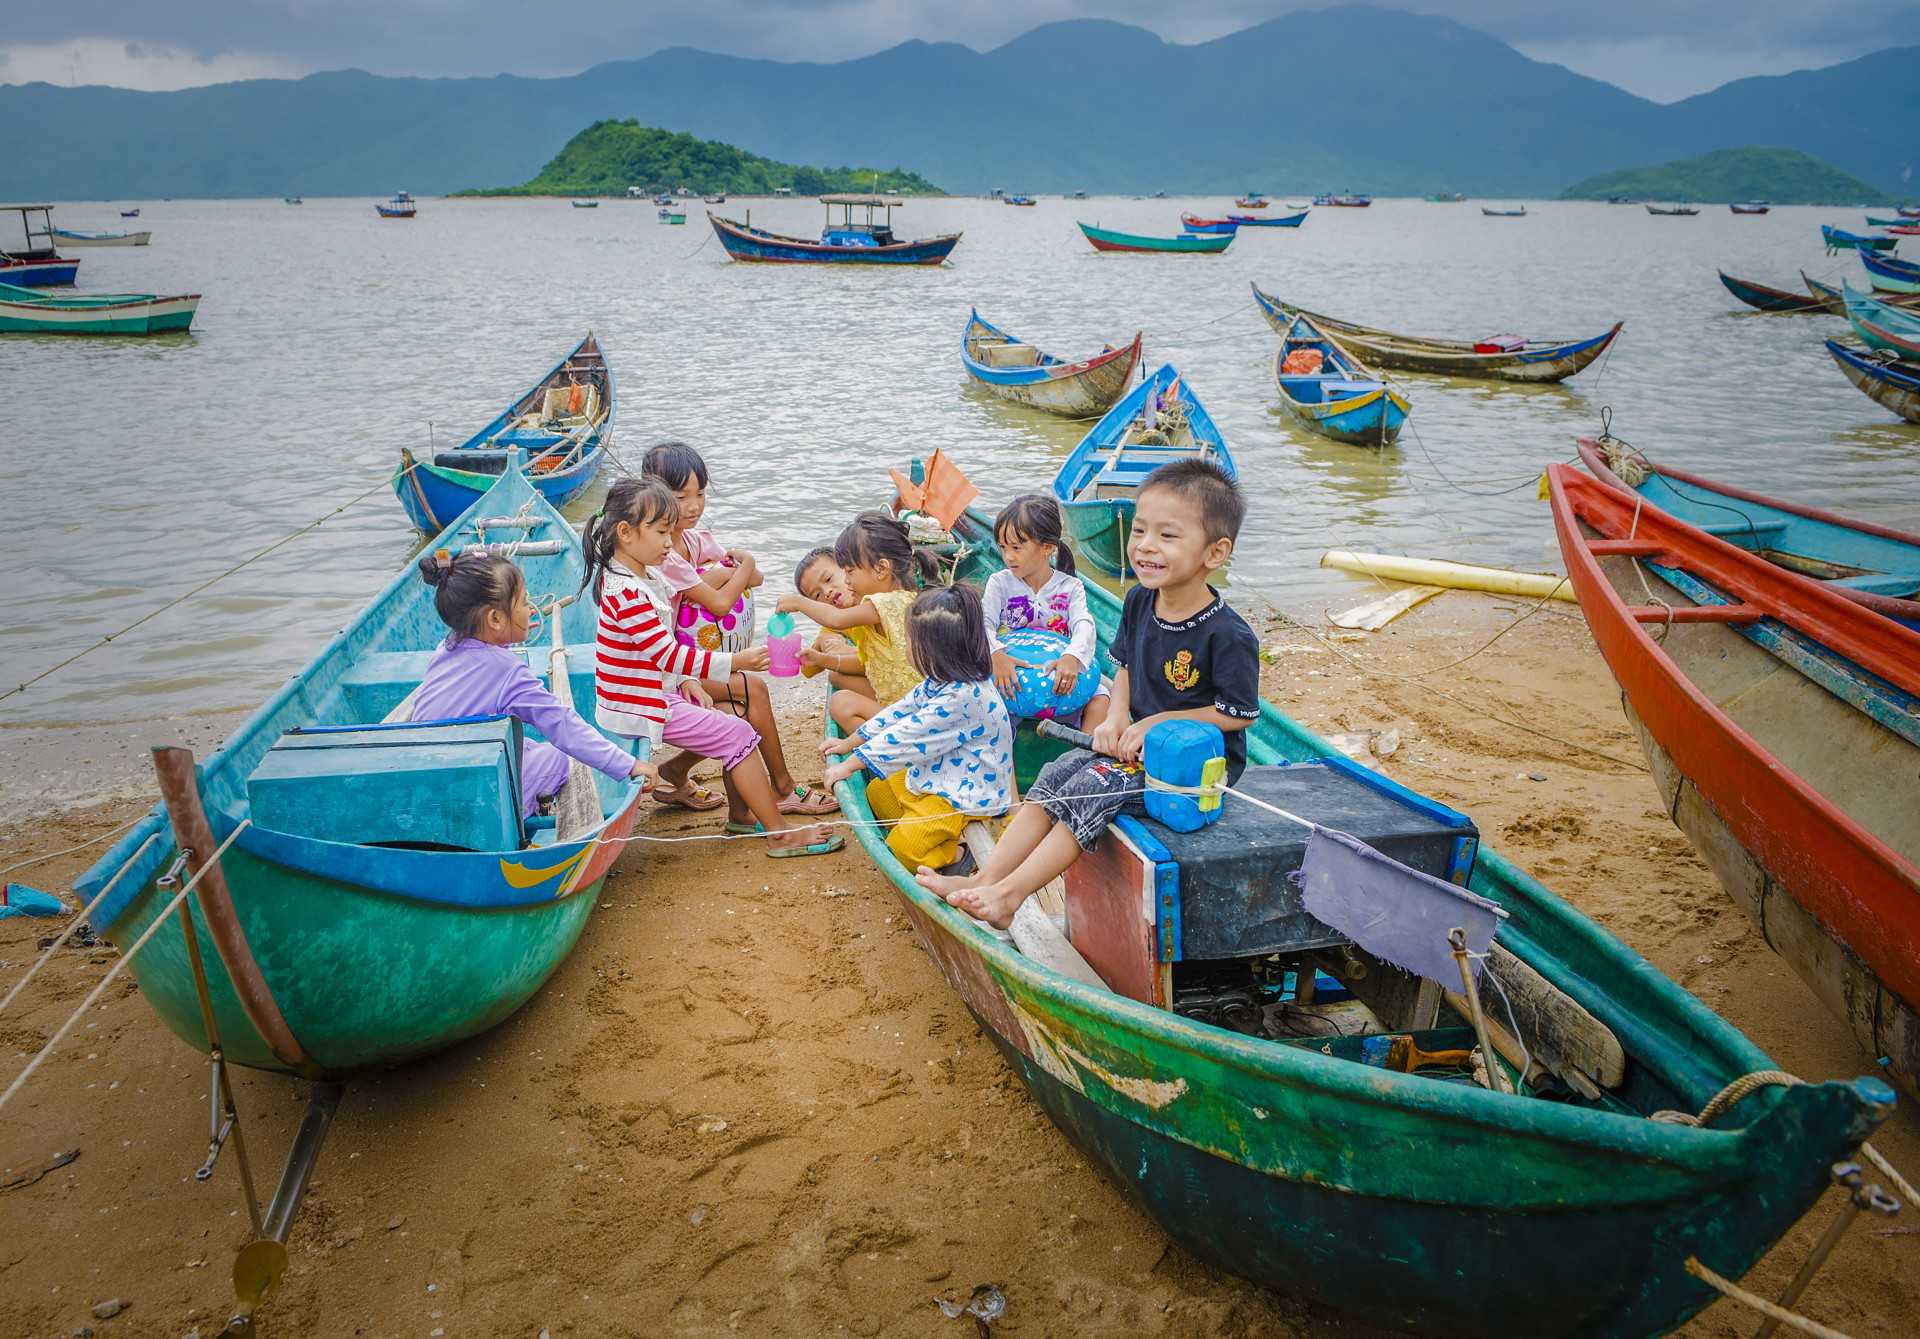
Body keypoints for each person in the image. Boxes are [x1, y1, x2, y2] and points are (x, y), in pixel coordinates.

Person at [917, 459, 1259, 928]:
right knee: (1058, 772)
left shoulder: (1229, 634)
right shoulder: (1141, 599)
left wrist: (1151, 725)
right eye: (1139, 531)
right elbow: (1122, 669)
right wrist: (1118, 716)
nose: (1145, 546)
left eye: (1168, 535)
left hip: (1191, 768)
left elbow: (1237, 715)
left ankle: (1009, 896)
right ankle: (984, 878)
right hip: (1132, 748)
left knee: (1089, 787)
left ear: (1215, 553)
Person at [583, 477, 842, 858]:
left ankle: (740, 815)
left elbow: (660, 652)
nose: (670, 543)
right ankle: (780, 833)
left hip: (656, 690)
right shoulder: (626, 592)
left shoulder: (642, 575)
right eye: (661, 532)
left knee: (735, 708)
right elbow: (668, 654)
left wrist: (688, 680)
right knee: (738, 734)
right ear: (625, 532)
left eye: (671, 532)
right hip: (639, 704)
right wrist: (736, 661)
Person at [643, 441, 837, 819]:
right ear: (656, 497)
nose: (694, 506)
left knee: (737, 707)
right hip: (672, 665)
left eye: (700, 494)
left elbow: (756, 578)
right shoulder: (665, 552)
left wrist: (730, 571)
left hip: (685, 659)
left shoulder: (695, 540)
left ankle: (680, 771)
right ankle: (782, 788)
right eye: (682, 497)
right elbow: (719, 603)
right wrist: (734, 568)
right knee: (756, 689)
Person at [412, 547, 658, 818]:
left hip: (424, 773)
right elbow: (562, 725)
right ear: (495, 619)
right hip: (467, 791)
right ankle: (516, 813)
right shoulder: (507, 671)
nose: (530, 611)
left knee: (526, 745)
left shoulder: (444, 648)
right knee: (556, 759)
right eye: (523, 602)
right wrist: (627, 765)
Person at [819, 584, 1012, 875]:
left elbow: (905, 736)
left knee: (903, 851)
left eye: (909, 641)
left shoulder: (964, 697)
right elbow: (898, 713)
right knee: (879, 792)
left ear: (934, 650)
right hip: (945, 773)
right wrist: (850, 744)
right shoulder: (941, 680)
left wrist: (848, 766)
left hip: (966, 792)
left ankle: (955, 853)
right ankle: (931, 835)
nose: (905, 648)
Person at [776, 511, 940, 735]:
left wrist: (797, 603)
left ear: (882, 568)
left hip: (918, 710)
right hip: (907, 701)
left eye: (848, 571)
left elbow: (835, 618)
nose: (845, 580)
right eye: (815, 596)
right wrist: (820, 656)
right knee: (839, 688)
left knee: (840, 703)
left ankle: (888, 752)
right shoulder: (897, 598)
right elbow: (869, 662)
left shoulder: (885, 603)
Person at [983, 493, 1111, 734]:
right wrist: (995, 653)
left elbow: (1084, 625)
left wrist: (1072, 656)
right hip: (1008, 676)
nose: (1007, 556)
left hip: (1057, 680)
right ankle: (1002, 764)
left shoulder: (1070, 587)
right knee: (985, 704)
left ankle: (1085, 759)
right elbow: (983, 623)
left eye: (1016, 547)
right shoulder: (998, 583)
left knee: (1101, 698)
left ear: (1048, 547)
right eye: (1002, 547)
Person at [791, 547, 874, 697]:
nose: (826, 591)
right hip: (883, 679)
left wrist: (850, 652)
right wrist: (821, 643)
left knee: (836, 676)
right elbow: (808, 671)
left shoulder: (873, 601)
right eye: (817, 595)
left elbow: (894, 655)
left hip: (905, 673)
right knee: (836, 677)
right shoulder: (835, 621)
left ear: (847, 568)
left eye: (828, 579)